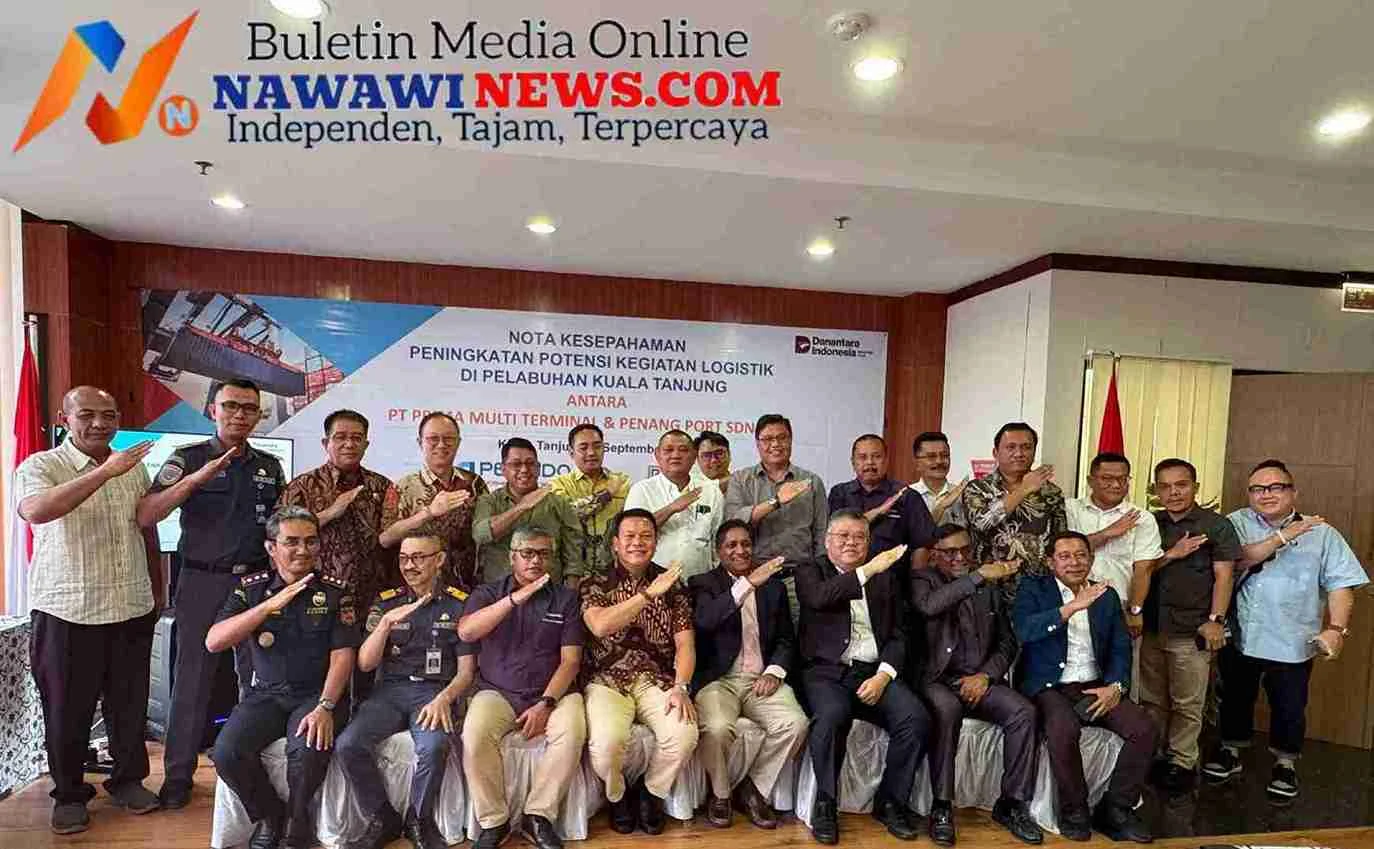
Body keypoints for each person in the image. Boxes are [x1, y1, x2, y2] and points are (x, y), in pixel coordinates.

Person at [17, 386, 163, 834]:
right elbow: (37, 511)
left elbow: (145, 526)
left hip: (130, 603)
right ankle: (69, 795)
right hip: (67, 609)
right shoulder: (41, 465)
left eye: (109, 414)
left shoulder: (133, 468)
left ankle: (128, 781)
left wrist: (157, 585)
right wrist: (104, 473)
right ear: (65, 419)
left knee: (129, 705)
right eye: (87, 415)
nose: (100, 423)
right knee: (67, 709)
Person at [137, 378, 288, 810]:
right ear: (212, 410)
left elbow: (278, 526)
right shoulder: (187, 458)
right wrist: (195, 480)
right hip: (202, 583)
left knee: (256, 680)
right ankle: (178, 778)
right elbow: (148, 514)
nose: (240, 414)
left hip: (255, 584)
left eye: (249, 408)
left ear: (258, 415)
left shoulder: (269, 466)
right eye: (231, 406)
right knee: (192, 681)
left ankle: (245, 771)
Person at [1204, 460, 1368, 802]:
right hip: (1241, 633)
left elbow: (1341, 584)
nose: (1266, 494)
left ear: (1294, 492)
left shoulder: (1322, 533)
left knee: (1290, 705)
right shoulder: (1234, 523)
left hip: (1293, 637)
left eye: (1275, 487)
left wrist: (1336, 628)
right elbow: (1236, 561)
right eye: (1257, 489)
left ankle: (1285, 764)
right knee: (1234, 696)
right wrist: (1283, 536)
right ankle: (1230, 751)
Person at [206, 506, 357, 849]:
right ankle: (269, 816)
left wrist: (325, 706)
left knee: (307, 749)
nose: (303, 550)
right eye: (292, 542)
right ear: (271, 548)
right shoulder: (251, 589)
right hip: (266, 695)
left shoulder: (336, 592)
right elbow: (214, 641)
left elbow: (343, 655)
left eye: (311, 541)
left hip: (315, 695)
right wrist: (266, 607)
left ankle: (296, 822)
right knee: (227, 752)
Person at [1012, 532, 1155, 843]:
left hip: (1094, 686)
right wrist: (1071, 607)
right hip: (1051, 686)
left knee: (1143, 728)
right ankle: (1074, 811)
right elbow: (1023, 631)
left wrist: (1115, 686)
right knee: (1062, 729)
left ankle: (1115, 809)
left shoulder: (1105, 595)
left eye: (1081, 555)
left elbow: (1120, 647)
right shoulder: (1033, 589)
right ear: (1050, 562)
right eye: (1065, 556)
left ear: (1090, 559)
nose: (1074, 562)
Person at [335, 533, 475, 849]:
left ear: (439, 559)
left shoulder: (459, 604)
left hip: (434, 692)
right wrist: (385, 624)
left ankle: (418, 819)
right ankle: (382, 817)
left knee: (434, 747)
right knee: (348, 744)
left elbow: (466, 672)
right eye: (403, 558)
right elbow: (366, 663)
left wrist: (444, 698)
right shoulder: (386, 601)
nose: (409, 566)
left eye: (418, 558)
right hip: (389, 692)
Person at [797, 510, 927, 845]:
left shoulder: (886, 578)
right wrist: (867, 571)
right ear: (827, 541)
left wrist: (884, 675)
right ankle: (825, 803)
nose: (851, 543)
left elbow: (898, 634)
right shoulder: (810, 570)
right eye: (843, 536)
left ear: (869, 542)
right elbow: (819, 597)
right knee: (831, 716)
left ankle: (891, 803)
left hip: (873, 671)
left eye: (859, 537)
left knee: (914, 718)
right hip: (827, 672)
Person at [912, 525, 1041, 846]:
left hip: (979, 678)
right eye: (950, 552)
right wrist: (978, 576)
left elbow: (1007, 642)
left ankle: (1012, 804)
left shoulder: (989, 587)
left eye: (965, 550)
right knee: (947, 709)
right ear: (934, 555)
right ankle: (941, 806)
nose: (960, 557)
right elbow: (929, 606)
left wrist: (985, 676)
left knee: (1023, 711)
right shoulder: (923, 579)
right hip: (938, 680)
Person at [459, 528, 587, 849]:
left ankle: (538, 815)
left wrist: (546, 703)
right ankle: (494, 821)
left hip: (553, 692)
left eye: (543, 553)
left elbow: (571, 661)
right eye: (527, 553)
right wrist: (515, 599)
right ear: (512, 557)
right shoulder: (487, 593)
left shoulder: (566, 598)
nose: (535, 560)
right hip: (498, 690)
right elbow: (467, 632)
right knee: (474, 734)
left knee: (572, 730)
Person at [580, 508, 698, 835]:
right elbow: (600, 626)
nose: (638, 542)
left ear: (656, 542)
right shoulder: (594, 582)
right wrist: (647, 595)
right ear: (615, 544)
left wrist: (681, 686)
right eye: (629, 536)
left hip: (656, 679)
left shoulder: (673, 584)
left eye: (646, 536)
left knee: (684, 734)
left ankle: (651, 792)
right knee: (606, 746)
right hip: (606, 680)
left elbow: (685, 644)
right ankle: (617, 796)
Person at [689, 520, 809, 829]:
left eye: (745, 544)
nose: (740, 550)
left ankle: (753, 789)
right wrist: (747, 585)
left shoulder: (774, 587)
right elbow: (705, 620)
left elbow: (786, 639)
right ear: (718, 551)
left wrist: (775, 671)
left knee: (795, 724)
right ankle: (720, 794)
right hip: (719, 680)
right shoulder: (702, 583)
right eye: (732, 545)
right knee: (717, 727)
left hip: (761, 679)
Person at [1140, 458, 1239, 791]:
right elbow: (1141, 570)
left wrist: (1216, 620)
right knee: (1152, 701)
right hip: (1151, 626)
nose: (1173, 492)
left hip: (1192, 628)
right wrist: (1172, 553)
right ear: (1156, 491)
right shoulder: (1149, 523)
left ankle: (1181, 762)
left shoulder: (1216, 525)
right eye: (1165, 486)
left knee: (1187, 703)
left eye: (1181, 485)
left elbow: (1224, 576)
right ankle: (1153, 756)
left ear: (1195, 487)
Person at [279, 409, 393, 618]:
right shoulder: (302, 486)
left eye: (356, 438)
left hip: (373, 599)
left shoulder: (382, 486)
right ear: (326, 443)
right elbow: (279, 537)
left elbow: (392, 539)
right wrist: (330, 512)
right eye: (340, 437)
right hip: (317, 598)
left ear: (366, 444)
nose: (349, 444)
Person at [725, 414, 828, 616]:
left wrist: (818, 577)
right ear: (757, 443)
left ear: (791, 440)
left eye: (782, 438)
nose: (775, 444)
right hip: (754, 578)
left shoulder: (811, 481)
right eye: (768, 439)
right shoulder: (740, 479)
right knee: (757, 634)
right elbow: (734, 523)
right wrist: (776, 501)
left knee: (798, 633)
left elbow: (821, 532)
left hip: (799, 579)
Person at [379, 412, 488, 590]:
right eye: (433, 439)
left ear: (458, 442)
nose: (441, 445)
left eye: (448, 439)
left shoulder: (474, 483)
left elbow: (484, 534)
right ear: (420, 442)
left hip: (464, 588)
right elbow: (385, 539)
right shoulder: (403, 487)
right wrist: (428, 513)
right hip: (416, 588)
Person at [963, 422, 1066, 595]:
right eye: (1011, 447)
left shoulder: (1051, 492)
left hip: (1037, 589)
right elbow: (981, 523)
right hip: (988, 588)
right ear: (995, 452)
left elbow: (1060, 541)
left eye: (1026, 447)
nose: (1019, 453)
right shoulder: (978, 488)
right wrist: (1024, 489)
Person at [1065, 452, 1162, 633]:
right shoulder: (1070, 509)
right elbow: (1068, 551)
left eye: (1122, 479)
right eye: (1107, 479)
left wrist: (1135, 609)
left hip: (1119, 606)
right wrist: (1108, 533)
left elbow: (1144, 568)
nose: (1116, 485)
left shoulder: (1141, 518)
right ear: (1090, 480)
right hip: (1070, 603)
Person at [471, 437, 582, 583]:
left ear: (539, 468)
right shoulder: (489, 501)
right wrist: (521, 507)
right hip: (500, 591)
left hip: (548, 591)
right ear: (503, 469)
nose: (524, 470)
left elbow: (574, 556)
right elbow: (480, 535)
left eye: (530, 464)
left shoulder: (558, 503)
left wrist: (570, 591)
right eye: (516, 464)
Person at [626, 429, 724, 581]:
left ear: (694, 456)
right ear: (657, 455)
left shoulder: (710, 491)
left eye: (683, 450)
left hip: (701, 582)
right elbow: (633, 533)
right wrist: (672, 508)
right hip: (652, 581)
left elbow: (718, 540)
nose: (676, 455)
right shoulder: (641, 490)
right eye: (668, 450)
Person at [549, 423, 631, 587]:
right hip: (572, 576)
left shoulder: (622, 482)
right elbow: (568, 515)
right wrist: (607, 495)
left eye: (597, 446)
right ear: (571, 452)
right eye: (583, 447)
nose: (591, 452)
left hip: (614, 574)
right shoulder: (559, 484)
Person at [827, 434, 905, 549]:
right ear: (853, 462)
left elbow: (921, 544)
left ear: (886, 460)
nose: (870, 462)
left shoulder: (904, 494)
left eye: (877, 456)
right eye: (862, 457)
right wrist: (878, 511)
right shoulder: (839, 493)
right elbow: (838, 534)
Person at [910, 432, 968, 527]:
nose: (939, 461)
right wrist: (941, 507)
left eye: (944, 455)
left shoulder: (963, 495)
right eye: (931, 456)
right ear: (917, 463)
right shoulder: (907, 496)